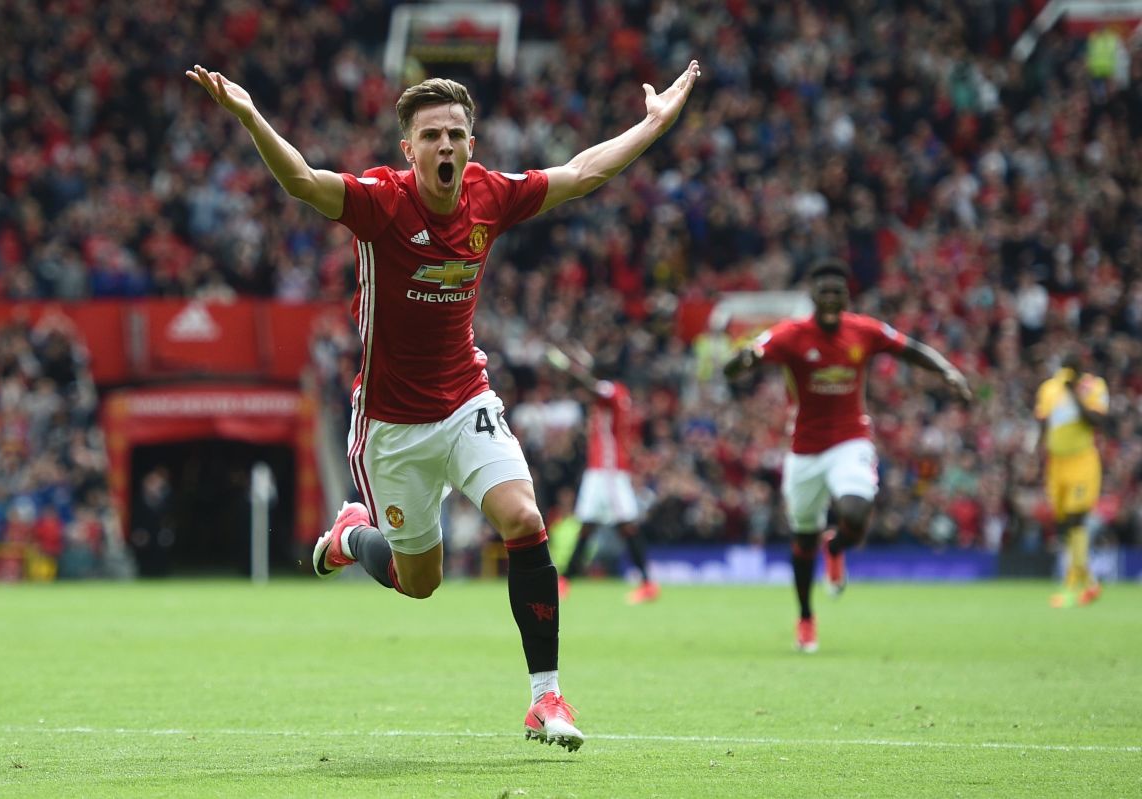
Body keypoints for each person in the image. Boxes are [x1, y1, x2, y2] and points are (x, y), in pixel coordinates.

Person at [186, 59, 701, 751]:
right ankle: (349, 536)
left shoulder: (489, 195)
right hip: (391, 425)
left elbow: (582, 174)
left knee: (523, 516)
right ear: (409, 148)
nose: (447, 146)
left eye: (457, 133)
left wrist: (652, 123)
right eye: (432, 135)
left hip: (466, 399)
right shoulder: (381, 200)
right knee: (418, 581)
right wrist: (252, 117)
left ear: (472, 144)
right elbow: (304, 182)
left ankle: (544, 695)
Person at [723, 258, 972, 653]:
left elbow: (909, 349)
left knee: (855, 513)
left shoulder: (864, 331)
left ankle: (836, 546)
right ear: (812, 296)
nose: (831, 299)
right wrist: (744, 361)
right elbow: (736, 367)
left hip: (850, 439)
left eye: (837, 292)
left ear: (846, 296)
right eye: (824, 292)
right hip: (803, 450)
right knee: (802, 538)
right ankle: (806, 617)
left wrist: (947, 372)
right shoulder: (790, 335)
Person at [545, 346, 658, 605]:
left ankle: (648, 583)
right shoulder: (615, 391)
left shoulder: (614, 390)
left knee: (626, 524)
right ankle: (564, 581)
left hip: (609, 471)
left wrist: (566, 366)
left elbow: (590, 384)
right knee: (587, 525)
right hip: (599, 470)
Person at [1033, 352, 1109, 608]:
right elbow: (1043, 423)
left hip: (1082, 460)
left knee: (1078, 517)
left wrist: (1075, 394)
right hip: (1056, 463)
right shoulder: (1049, 388)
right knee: (1065, 523)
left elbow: (1096, 421)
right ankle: (1090, 583)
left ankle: (1071, 583)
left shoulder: (1093, 386)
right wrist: (1036, 454)